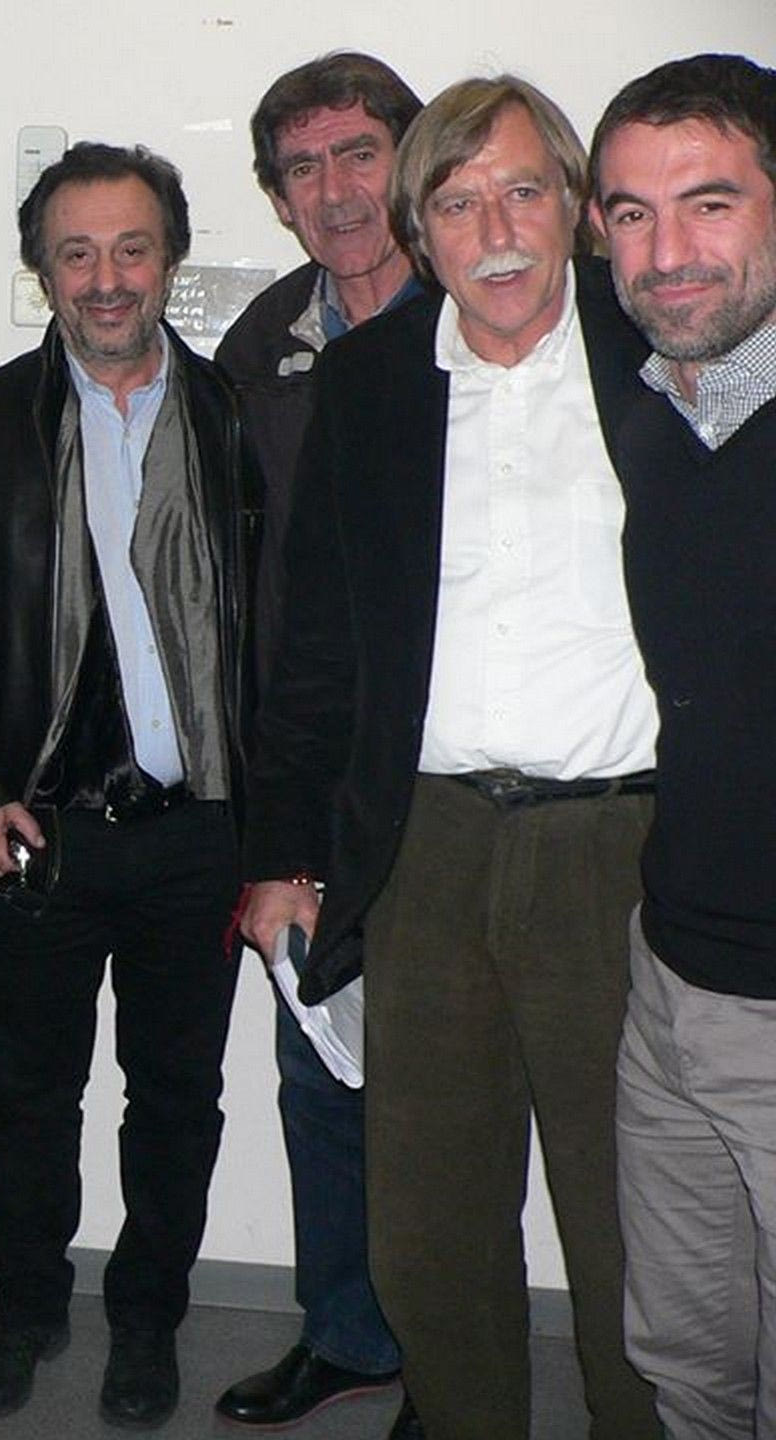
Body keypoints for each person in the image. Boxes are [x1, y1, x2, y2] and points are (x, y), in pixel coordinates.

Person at [239, 76, 664, 1440]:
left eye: (524, 191)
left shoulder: (661, 347)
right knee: (429, 1219)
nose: (496, 229)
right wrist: (284, 857)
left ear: (577, 208)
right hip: (423, 850)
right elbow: (316, 642)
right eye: (460, 201)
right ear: (420, 230)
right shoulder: (370, 383)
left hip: (625, 852)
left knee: (631, 1225)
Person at [0, 141, 260, 1429]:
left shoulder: (235, 422)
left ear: (170, 260)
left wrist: (273, 829)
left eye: (131, 249)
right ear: (42, 271)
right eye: (76, 253)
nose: (106, 279)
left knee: (178, 1099)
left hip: (199, 835)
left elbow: (282, 632)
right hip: (33, 830)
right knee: (30, 1097)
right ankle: (25, 1306)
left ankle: (148, 1318)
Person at [211, 52, 422, 1437]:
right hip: (308, 774)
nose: (337, 192)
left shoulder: (484, 314)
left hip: (451, 774)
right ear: (278, 197)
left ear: (410, 161)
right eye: (305, 168)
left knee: (449, 1088)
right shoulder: (261, 349)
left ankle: (449, 1359)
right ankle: (347, 1333)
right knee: (319, 1078)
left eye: (359, 155)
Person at [587, 52, 776, 1440]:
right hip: (670, 975)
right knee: (687, 1362)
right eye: (632, 215)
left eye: (709, 204)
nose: (669, 254)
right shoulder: (656, 405)